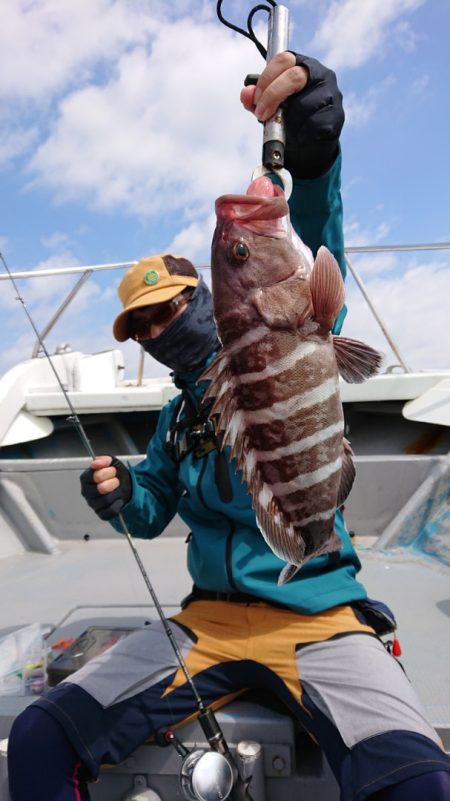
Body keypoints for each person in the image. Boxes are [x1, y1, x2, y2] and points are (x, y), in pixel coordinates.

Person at [7, 52, 450, 801]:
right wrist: (122, 497)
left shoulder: (295, 324)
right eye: (140, 327)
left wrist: (312, 156)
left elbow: (314, 232)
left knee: (419, 782)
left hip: (320, 611)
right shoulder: (175, 416)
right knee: (38, 736)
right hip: (207, 620)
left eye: (169, 307)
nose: (155, 329)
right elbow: (153, 508)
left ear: (207, 296)